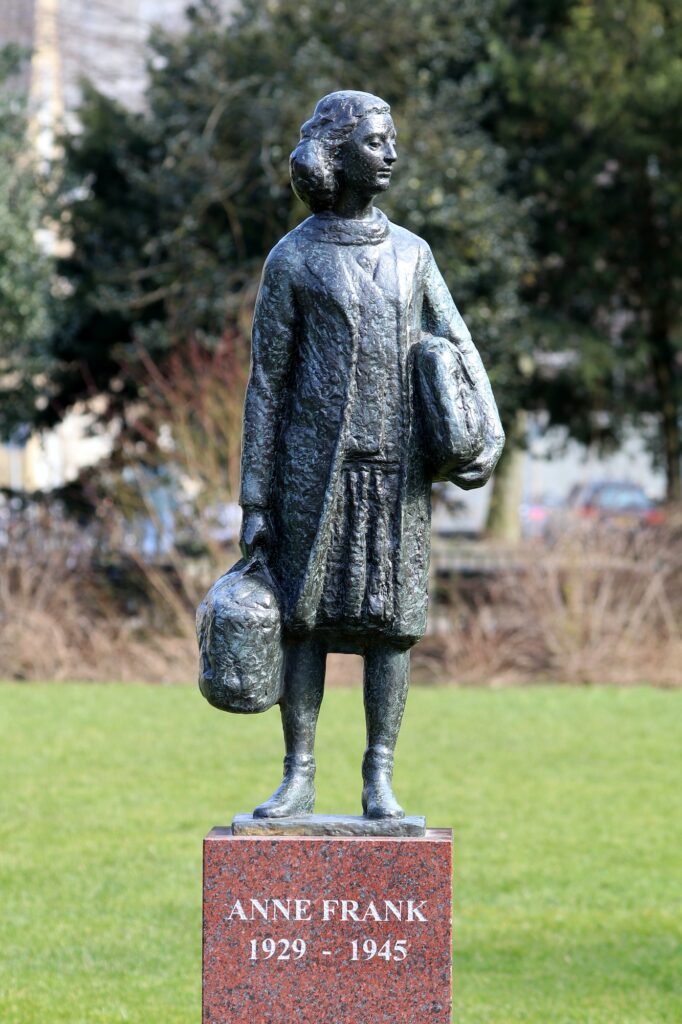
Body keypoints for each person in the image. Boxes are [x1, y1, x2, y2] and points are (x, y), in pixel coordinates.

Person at [239, 90, 504, 819]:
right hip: (309, 474)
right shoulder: (292, 259)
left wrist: (489, 433)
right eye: (376, 142)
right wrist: (256, 500)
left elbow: (459, 343)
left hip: (398, 472)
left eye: (392, 141)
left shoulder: (413, 254)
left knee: (393, 627)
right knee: (305, 621)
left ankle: (378, 773)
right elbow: (267, 383)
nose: (391, 154)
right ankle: (298, 771)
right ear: (337, 152)